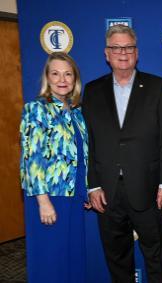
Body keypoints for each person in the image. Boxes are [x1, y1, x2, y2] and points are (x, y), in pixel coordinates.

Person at [82, 24, 162, 282]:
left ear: (136, 52)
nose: (122, 52)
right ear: (106, 53)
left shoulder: (158, 87)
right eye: (116, 47)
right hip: (107, 193)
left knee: (155, 258)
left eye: (128, 47)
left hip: (149, 190)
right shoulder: (91, 91)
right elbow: (87, 143)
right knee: (117, 259)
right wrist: (93, 186)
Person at [20, 52, 88, 283]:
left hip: (74, 196)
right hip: (50, 198)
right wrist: (43, 201)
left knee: (72, 258)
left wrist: (85, 189)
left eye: (68, 74)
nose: (62, 79)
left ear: (75, 79)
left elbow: (81, 155)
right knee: (51, 262)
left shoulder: (77, 112)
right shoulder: (37, 108)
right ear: (47, 78)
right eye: (56, 73)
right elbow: (32, 158)